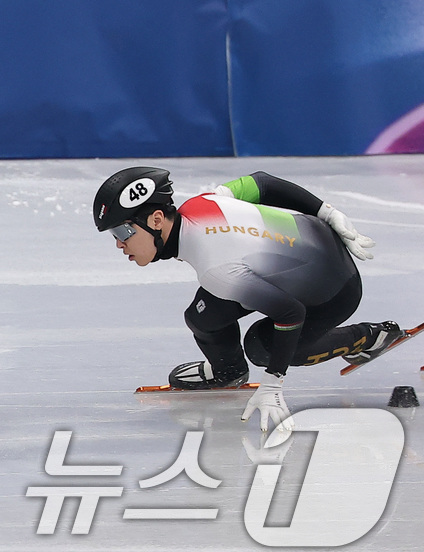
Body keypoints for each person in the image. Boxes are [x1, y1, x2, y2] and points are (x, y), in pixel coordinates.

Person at [92, 167, 402, 431]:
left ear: (157, 219)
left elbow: (291, 314)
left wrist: (273, 383)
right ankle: (229, 371)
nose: (120, 245)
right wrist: (326, 212)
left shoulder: (217, 269)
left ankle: (369, 338)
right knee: (201, 317)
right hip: (309, 245)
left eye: (122, 232)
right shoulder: (203, 203)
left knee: (263, 347)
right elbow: (262, 182)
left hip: (335, 290)